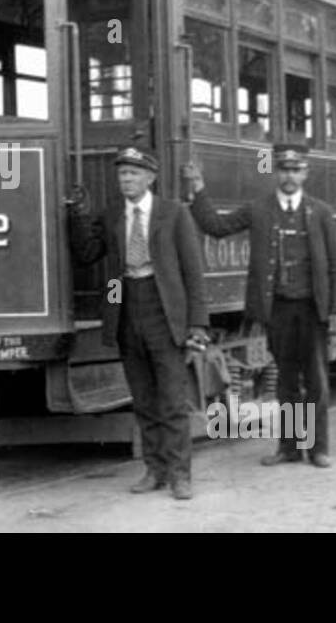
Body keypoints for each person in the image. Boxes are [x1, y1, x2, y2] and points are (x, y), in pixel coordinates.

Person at [183, 143, 336, 468]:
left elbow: (335, 267)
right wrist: (198, 190)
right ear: (276, 173)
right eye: (284, 169)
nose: (289, 176)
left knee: (316, 379)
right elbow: (217, 227)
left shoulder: (321, 212)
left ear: (305, 174)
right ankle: (288, 448)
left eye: (295, 170)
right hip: (279, 309)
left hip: (313, 309)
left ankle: (316, 448)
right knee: (285, 380)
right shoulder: (259, 209)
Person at [69, 146, 210, 499]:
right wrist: (75, 215)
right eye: (122, 174)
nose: (126, 180)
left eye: (133, 174)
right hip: (127, 308)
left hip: (165, 314)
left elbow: (193, 272)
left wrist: (197, 324)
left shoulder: (174, 213)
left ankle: (181, 475)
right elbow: (88, 254)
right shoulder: (114, 213)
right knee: (144, 399)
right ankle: (154, 470)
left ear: (149, 178)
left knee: (173, 400)